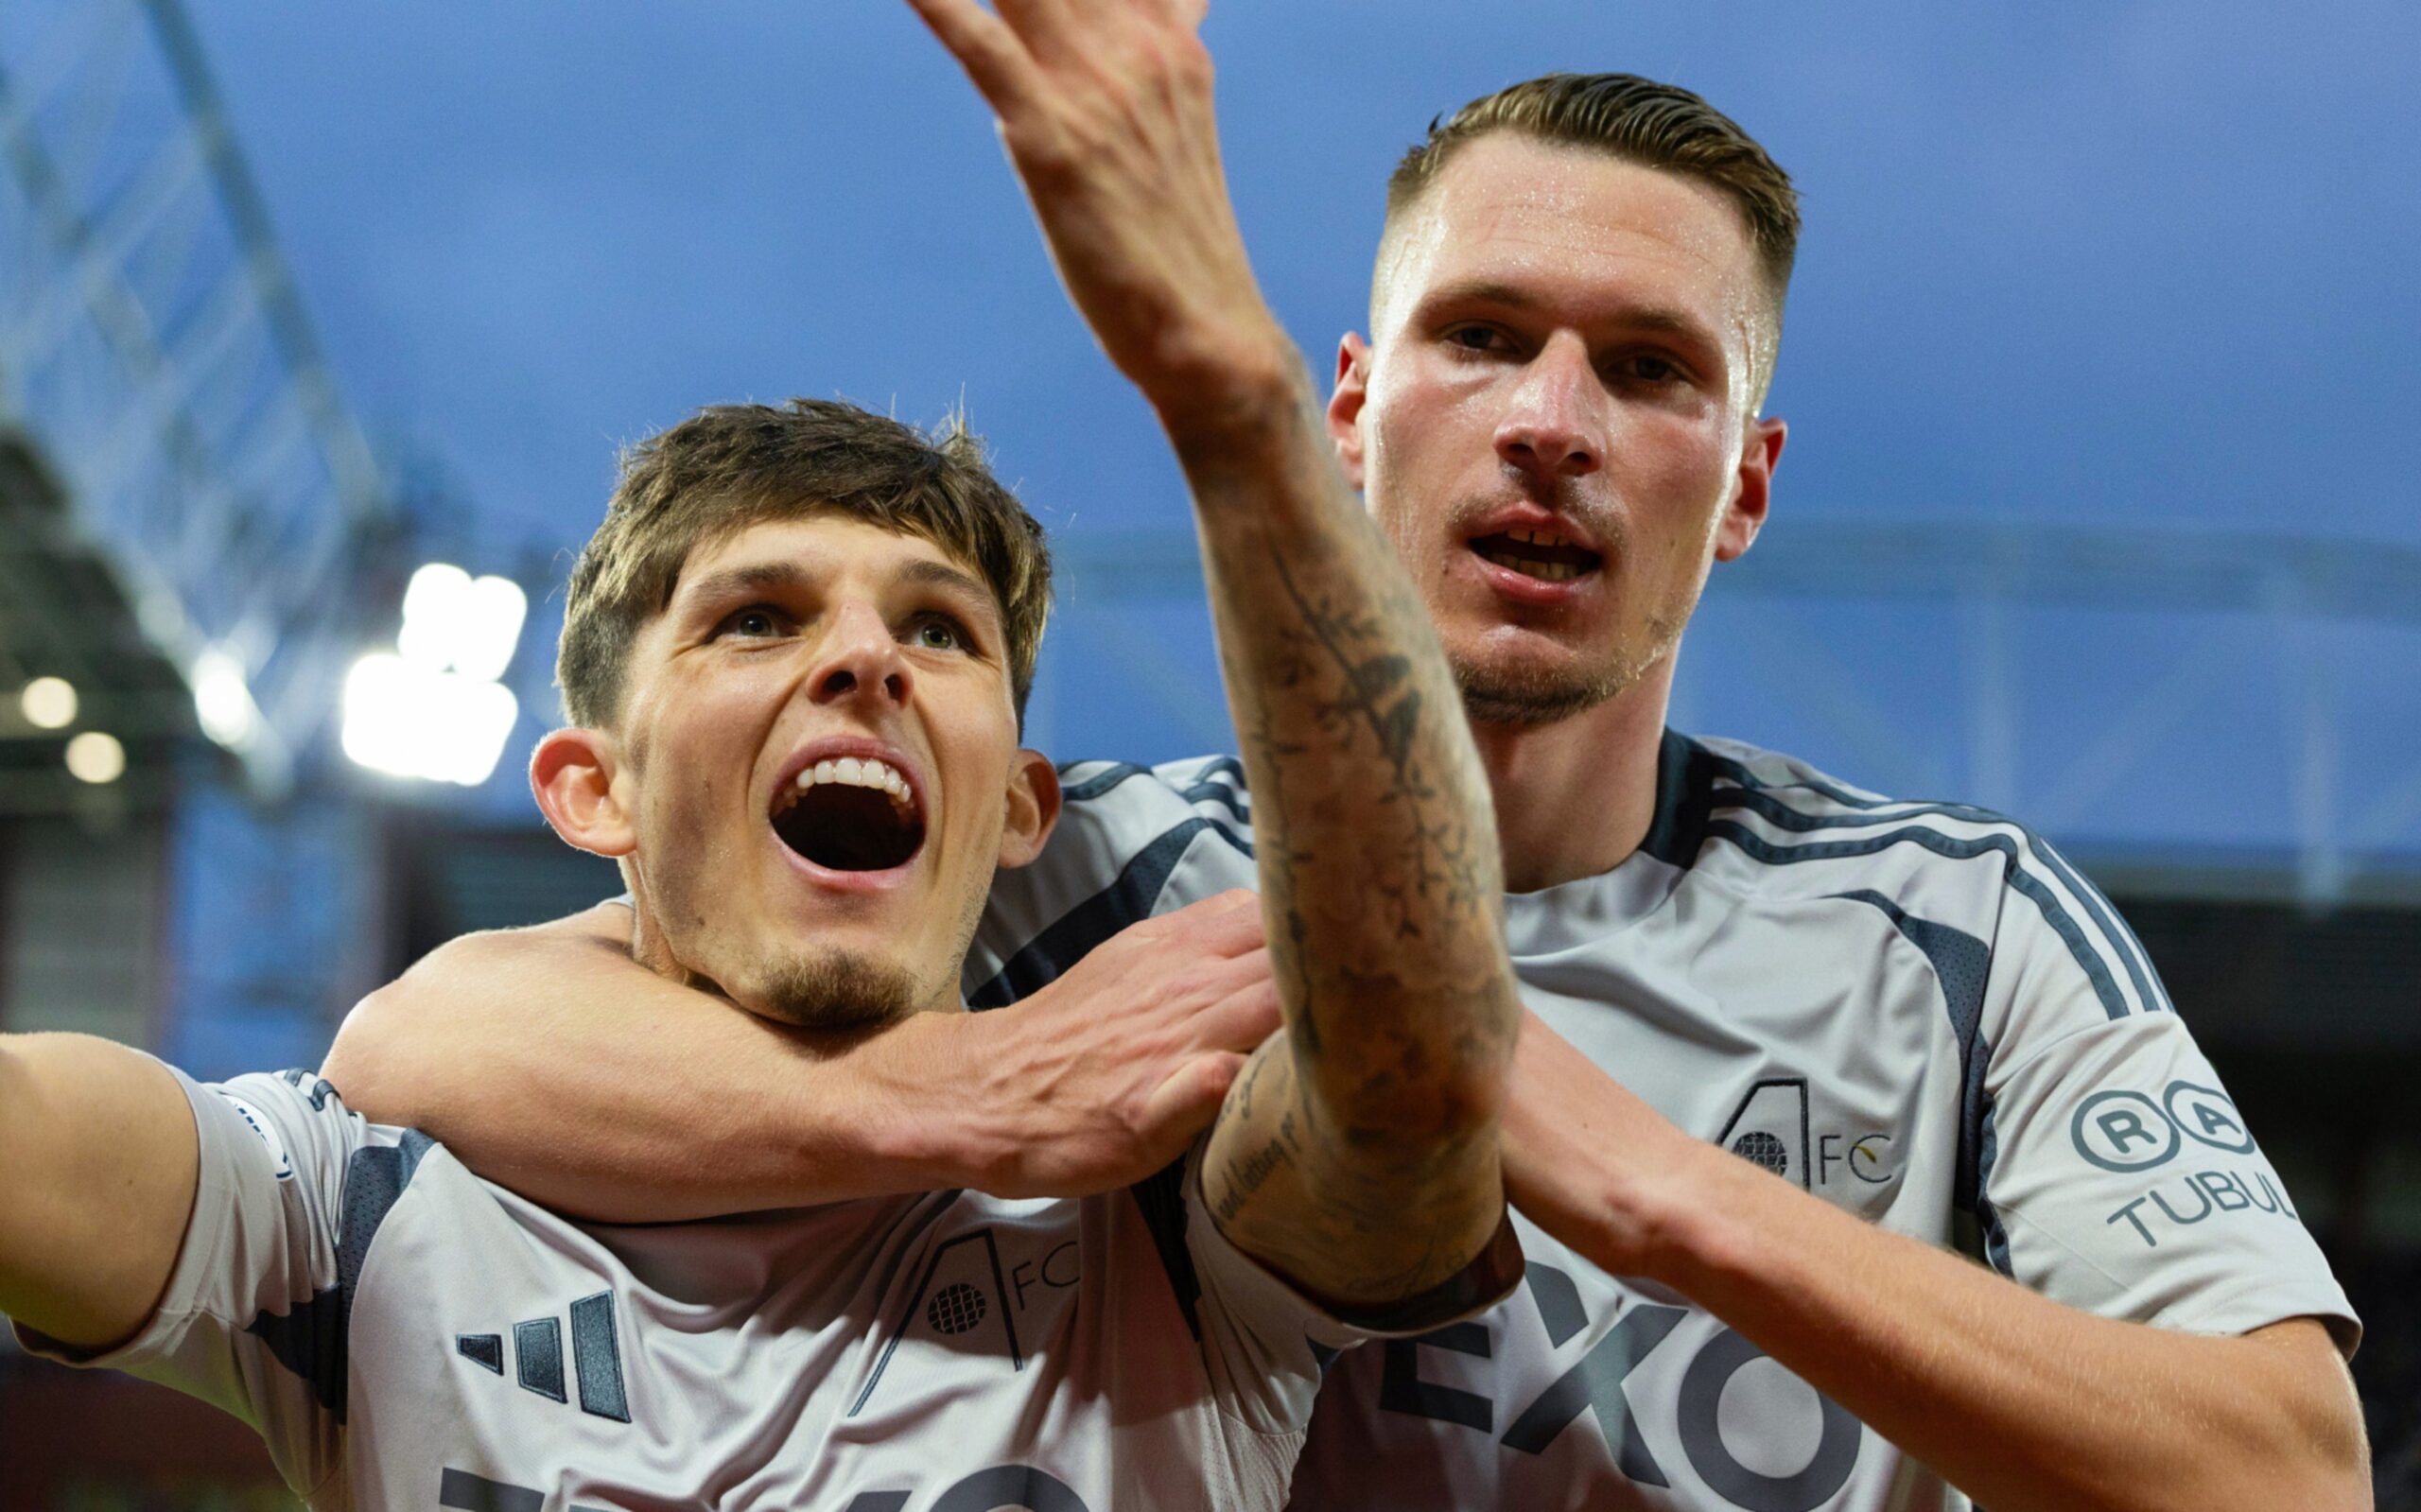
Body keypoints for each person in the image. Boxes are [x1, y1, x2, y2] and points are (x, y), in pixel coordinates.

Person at [328, 3, 2373, 1508]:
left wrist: (1647, 1181)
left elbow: (2280, 1473)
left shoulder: (1958, 925)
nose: (1551, 418)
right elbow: (431, 1046)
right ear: (1344, 409)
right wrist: (987, 1079)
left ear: (1738, 486)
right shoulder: (1075, 876)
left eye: (1646, 368)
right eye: (1481, 337)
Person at [0, 392, 1525, 1508]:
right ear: (593, 791)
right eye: (755, 620)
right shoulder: (364, 1199)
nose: (863, 659)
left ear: (1018, 805)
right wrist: (974, 1086)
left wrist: (1214, 374)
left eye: (940, 631)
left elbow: (1402, 1103)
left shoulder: (1162, 1215)